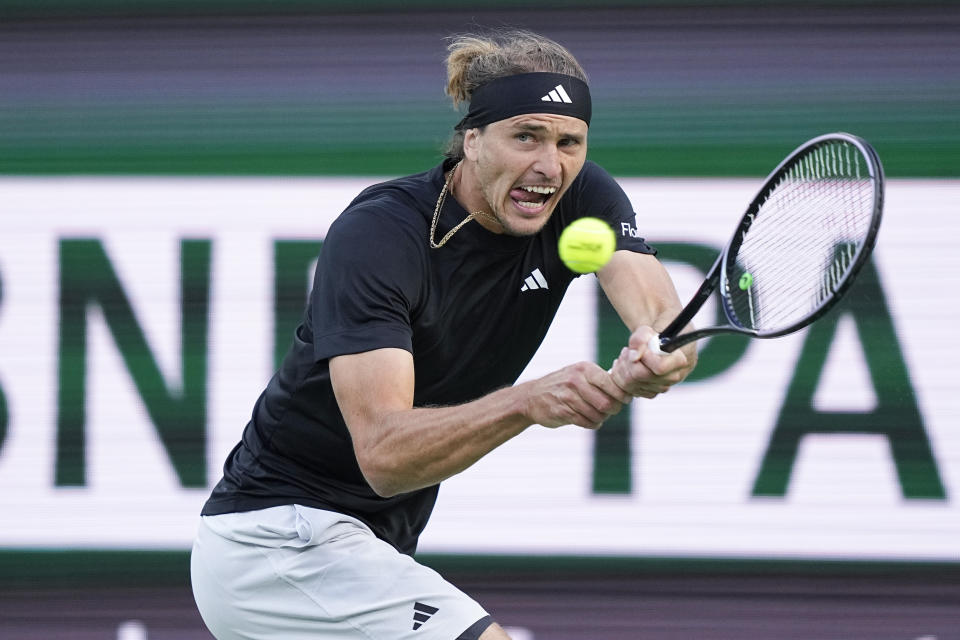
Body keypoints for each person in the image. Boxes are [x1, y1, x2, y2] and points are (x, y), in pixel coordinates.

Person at [190, 29, 697, 640]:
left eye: (570, 142)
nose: (549, 164)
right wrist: (528, 401)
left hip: (371, 543)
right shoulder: (380, 236)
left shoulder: (580, 194)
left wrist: (660, 350)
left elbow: (661, 313)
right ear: (473, 140)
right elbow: (384, 455)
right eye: (526, 136)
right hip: (277, 541)